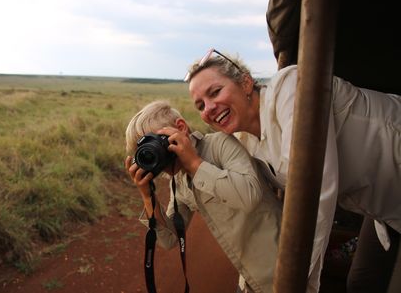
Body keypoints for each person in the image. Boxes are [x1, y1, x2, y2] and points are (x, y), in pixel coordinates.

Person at [184, 49, 401, 293]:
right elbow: (254, 206)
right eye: (200, 105)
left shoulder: (293, 87)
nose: (209, 108)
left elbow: (314, 190)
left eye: (215, 92)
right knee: (364, 282)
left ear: (245, 83)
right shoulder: (244, 141)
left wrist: (296, 278)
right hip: (383, 206)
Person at [124, 100, 282, 293]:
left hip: (284, 267)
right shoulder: (180, 180)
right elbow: (169, 239)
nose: (154, 154)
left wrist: (195, 164)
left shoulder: (220, 144)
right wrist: (148, 197)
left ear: (180, 128)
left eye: (155, 142)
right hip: (249, 280)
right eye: (145, 150)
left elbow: (250, 196)